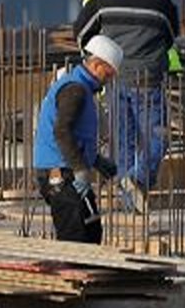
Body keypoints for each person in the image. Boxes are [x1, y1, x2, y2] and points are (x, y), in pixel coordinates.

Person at [74, 0, 179, 214]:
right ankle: (139, 178)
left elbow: (82, 31)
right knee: (158, 135)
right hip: (148, 79)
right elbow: (170, 35)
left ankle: (131, 203)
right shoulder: (161, 0)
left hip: (116, 77)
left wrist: (102, 55)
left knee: (123, 143)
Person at [33, 35, 122, 244]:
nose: (110, 79)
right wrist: (81, 168)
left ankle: (85, 275)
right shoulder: (75, 90)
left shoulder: (83, 89)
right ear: (97, 64)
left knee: (91, 232)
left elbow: (77, 134)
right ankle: (73, 276)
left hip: (69, 170)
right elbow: (62, 131)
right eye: (108, 73)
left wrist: (96, 161)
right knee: (75, 237)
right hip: (59, 173)